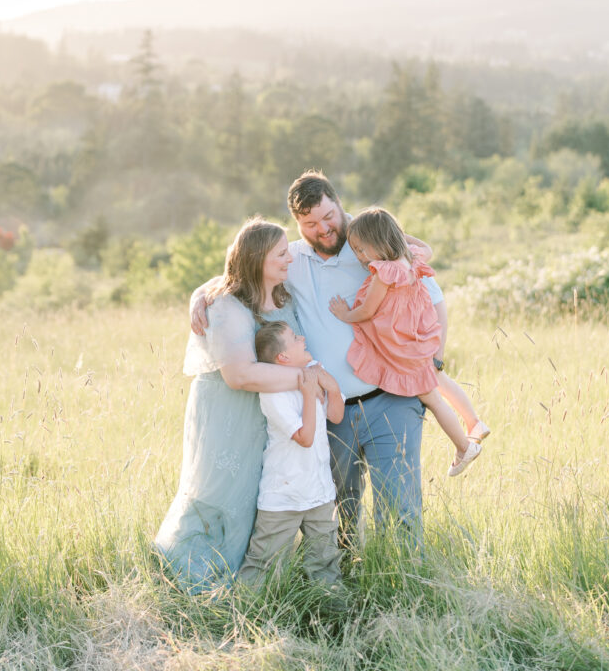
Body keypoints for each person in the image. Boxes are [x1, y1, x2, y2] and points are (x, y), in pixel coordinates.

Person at [191, 171, 445, 543]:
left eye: (329, 217)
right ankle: (348, 582)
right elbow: (241, 271)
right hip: (332, 410)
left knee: (401, 507)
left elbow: (433, 298)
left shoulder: (369, 244)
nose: (324, 229)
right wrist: (200, 295)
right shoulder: (291, 259)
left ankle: (406, 588)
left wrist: (433, 362)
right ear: (298, 224)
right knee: (341, 511)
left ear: (339, 204)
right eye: (310, 224)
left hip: (391, 399)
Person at [155, 217, 322, 593]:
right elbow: (239, 376)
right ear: (258, 258)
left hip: (268, 417)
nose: (288, 258)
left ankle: (250, 580)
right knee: (222, 493)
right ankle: (196, 582)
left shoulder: (284, 295)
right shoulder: (227, 306)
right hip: (229, 413)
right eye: (280, 254)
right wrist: (310, 378)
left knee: (257, 496)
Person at [329, 207, 489, 477]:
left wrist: (346, 314)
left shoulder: (383, 273)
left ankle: (464, 446)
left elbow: (368, 310)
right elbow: (426, 246)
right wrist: (397, 236)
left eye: (361, 249)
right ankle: (472, 427)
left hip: (401, 348)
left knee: (434, 400)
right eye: (356, 250)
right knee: (437, 389)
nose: (359, 256)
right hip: (415, 339)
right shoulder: (411, 259)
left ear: (379, 242)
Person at [238, 320, 345, 585]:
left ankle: (331, 616)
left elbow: (335, 416)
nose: (303, 338)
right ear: (282, 357)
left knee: (325, 565)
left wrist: (331, 387)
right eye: (295, 338)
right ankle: (247, 614)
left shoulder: (313, 370)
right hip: (283, 495)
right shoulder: (272, 394)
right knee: (263, 566)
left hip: (320, 492)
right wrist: (309, 393)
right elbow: (305, 438)